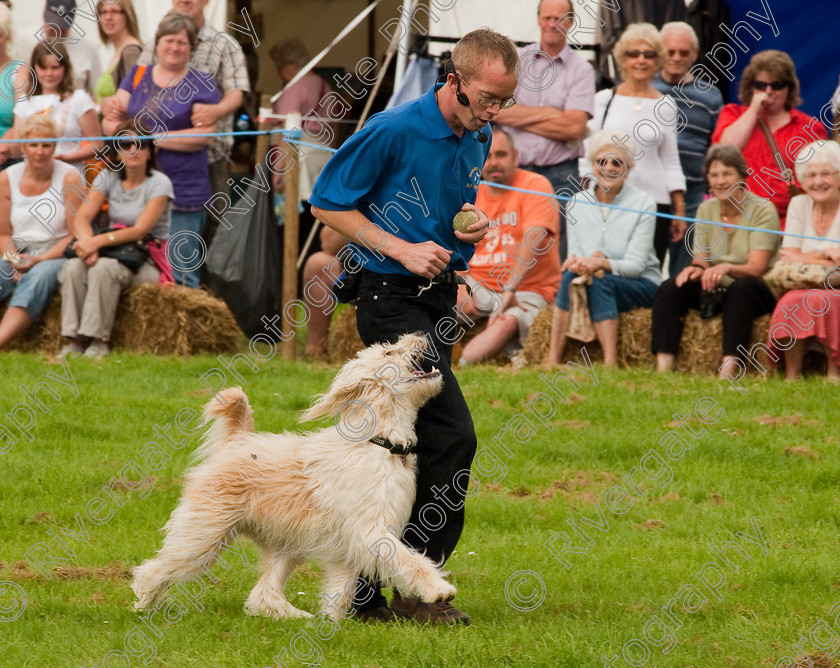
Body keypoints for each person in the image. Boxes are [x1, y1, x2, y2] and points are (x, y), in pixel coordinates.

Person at [309, 29, 518, 625]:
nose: (495, 111)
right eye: (487, 97)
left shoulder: (479, 134)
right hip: (388, 300)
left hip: (436, 303)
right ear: (455, 79)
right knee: (452, 436)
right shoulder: (393, 127)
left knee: (392, 449)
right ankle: (418, 588)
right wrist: (399, 248)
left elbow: (447, 218)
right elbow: (327, 202)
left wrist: (465, 241)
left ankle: (364, 592)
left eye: (504, 100)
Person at [103, 12, 221, 289]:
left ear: (192, 48)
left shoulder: (202, 83)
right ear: (156, 43)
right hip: (134, 189)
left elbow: (205, 135)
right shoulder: (139, 73)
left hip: (183, 191)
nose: (175, 47)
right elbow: (111, 121)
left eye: (182, 42)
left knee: (181, 272)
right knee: (137, 265)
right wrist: (108, 111)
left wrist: (148, 139)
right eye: (169, 40)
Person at [651, 145, 780, 378]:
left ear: (742, 175)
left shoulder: (763, 209)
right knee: (672, 286)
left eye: (727, 174)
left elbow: (757, 268)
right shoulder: (705, 209)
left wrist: (726, 267)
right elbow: (700, 260)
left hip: (755, 289)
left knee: (740, 289)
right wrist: (695, 271)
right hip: (715, 287)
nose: (721, 181)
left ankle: (728, 370)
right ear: (708, 179)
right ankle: (663, 369)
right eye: (714, 175)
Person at [58, 119, 173, 359]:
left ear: (150, 151)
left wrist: (96, 243)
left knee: (104, 269)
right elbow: (81, 219)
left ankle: (98, 342)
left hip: (146, 258)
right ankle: (73, 340)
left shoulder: (160, 183)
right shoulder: (107, 176)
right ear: (117, 152)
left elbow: (139, 230)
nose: (134, 150)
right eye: (126, 144)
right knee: (72, 266)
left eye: (140, 144)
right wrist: (88, 244)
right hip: (112, 250)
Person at [546, 129, 662, 367]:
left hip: (641, 284)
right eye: (602, 161)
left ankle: (610, 362)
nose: (609, 167)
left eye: (617, 162)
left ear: (628, 169)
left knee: (600, 279)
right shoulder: (576, 202)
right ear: (592, 165)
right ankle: (552, 359)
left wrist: (599, 262)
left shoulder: (644, 203)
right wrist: (580, 263)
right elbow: (574, 255)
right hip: (591, 278)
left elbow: (636, 266)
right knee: (570, 275)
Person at [493, 0, 594, 263]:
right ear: (538, 19)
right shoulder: (514, 60)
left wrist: (518, 115)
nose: (552, 24)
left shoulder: (582, 70)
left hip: (560, 174)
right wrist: (551, 113)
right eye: (547, 17)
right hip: (512, 171)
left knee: (555, 247)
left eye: (559, 18)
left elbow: (574, 128)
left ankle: (551, 302)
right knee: (507, 240)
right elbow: (497, 110)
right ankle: (510, 296)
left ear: (571, 22)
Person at [581, 22, 686, 269]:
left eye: (648, 54)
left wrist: (678, 209)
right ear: (622, 59)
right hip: (609, 200)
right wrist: (588, 198)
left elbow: (671, 159)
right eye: (633, 53)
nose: (641, 60)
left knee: (647, 270)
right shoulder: (603, 100)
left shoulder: (667, 105)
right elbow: (586, 156)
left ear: (657, 60)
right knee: (607, 268)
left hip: (655, 203)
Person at [126, 0, 250, 203]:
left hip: (210, 153)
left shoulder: (225, 44)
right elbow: (137, 84)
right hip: (155, 153)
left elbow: (236, 92)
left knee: (212, 223)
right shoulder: (154, 43)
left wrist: (218, 110)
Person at [457, 129, 561, 365]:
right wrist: (459, 283)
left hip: (528, 288)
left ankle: (462, 366)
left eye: (501, 155)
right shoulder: (471, 190)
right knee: (433, 300)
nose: (494, 163)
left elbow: (533, 239)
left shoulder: (536, 184)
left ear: (516, 156)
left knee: (508, 320)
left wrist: (509, 290)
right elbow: (454, 241)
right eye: (488, 155)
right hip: (478, 285)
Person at [712, 50, 828, 228]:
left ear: (789, 87)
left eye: (777, 85)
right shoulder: (733, 114)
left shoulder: (810, 128)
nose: (768, 91)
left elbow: (819, 180)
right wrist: (753, 109)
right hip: (738, 219)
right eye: (760, 85)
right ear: (751, 87)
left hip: (788, 223)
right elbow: (725, 151)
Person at [0, 115, 82, 348]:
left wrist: (39, 260)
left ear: (54, 146)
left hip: (55, 251)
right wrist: (14, 259)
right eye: (33, 145)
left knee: (37, 278)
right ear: (24, 146)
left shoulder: (69, 177)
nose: (40, 151)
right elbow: (3, 233)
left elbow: (74, 234)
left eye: (46, 145)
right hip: (16, 249)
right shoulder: (7, 178)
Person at [652, 22, 723, 275]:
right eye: (670, 52)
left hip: (693, 192)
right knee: (648, 262)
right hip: (652, 191)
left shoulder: (711, 96)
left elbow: (716, 147)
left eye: (683, 53)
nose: (676, 58)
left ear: (695, 53)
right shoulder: (645, 89)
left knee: (683, 269)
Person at [766, 141, 840, 380]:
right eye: (812, 175)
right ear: (803, 179)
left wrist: (805, 259)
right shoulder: (799, 204)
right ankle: (792, 374)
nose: (818, 181)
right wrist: (826, 254)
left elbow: (797, 257)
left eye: (826, 174)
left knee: (826, 299)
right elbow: (787, 256)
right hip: (804, 284)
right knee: (791, 301)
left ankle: (834, 372)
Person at [11, 43, 103, 171]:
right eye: (43, 68)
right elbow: (16, 150)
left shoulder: (79, 98)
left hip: (69, 171)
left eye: (55, 68)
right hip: (34, 173)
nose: (49, 74)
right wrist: (29, 125)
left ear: (65, 68)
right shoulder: (25, 102)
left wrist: (65, 158)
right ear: (34, 68)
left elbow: (97, 145)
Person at [269, 39, 337, 199]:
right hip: (324, 156)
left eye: (280, 67)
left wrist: (278, 168)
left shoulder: (294, 88)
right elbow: (334, 128)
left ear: (291, 64)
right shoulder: (325, 86)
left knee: (296, 214)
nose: (279, 73)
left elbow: (288, 130)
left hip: (298, 158)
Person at [13, 0, 101, 97]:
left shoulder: (88, 47)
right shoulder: (22, 41)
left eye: (62, 26)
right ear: (43, 14)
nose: (57, 30)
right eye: (53, 24)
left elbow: (96, 93)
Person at [301, 225, 346, 360]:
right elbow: (328, 243)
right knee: (318, 263)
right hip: (366, 272)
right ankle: (316, 350)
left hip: (405, 271)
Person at [93, 0, 143, 104]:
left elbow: (136, 99)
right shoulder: (117, 52)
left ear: (128, 15)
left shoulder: (131, 52)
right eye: (103, 12)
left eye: (114, 11)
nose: (108, 17)